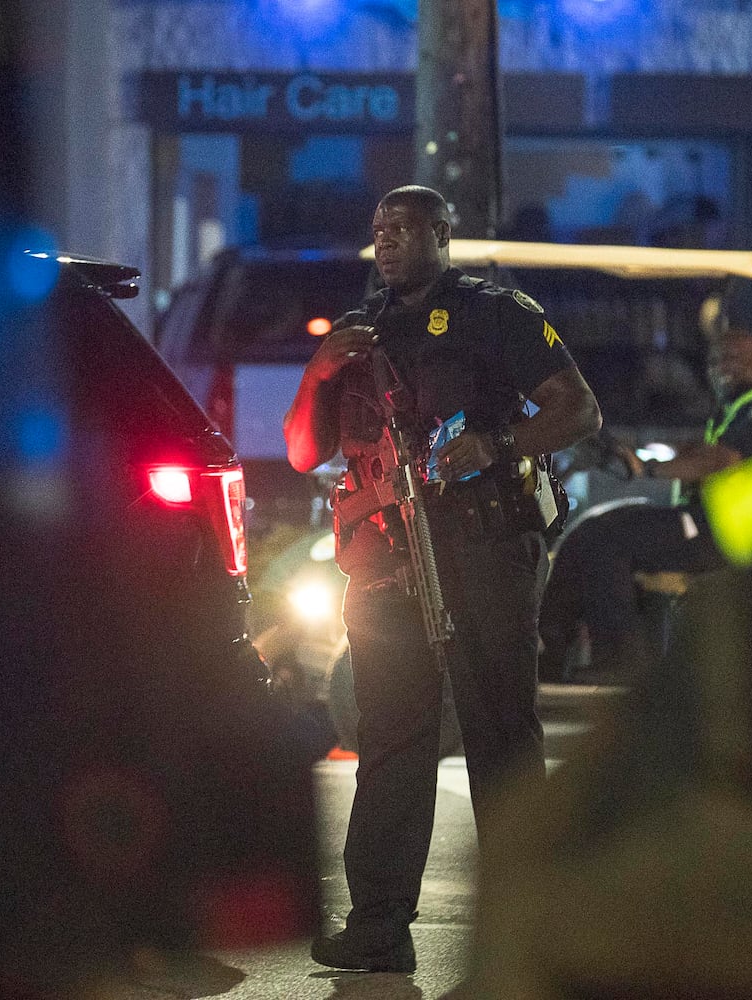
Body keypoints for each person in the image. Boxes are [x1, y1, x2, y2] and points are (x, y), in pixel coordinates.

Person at [283, 185, 602, 973]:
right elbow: (300, 450)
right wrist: (318, 371)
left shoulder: (495, 312)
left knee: (500, 731)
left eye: (403, 226)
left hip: (481, 551)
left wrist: (497, 443)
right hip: (384, 561)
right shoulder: (360, 332)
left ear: (442, 233)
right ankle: (380, 929)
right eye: (378, 228)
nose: (386, 239)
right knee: (390, 740)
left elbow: (577, 410)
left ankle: (522, 925)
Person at [538, 327, 752, 679]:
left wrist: (647, 468)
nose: (722, 367)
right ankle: (550, 655)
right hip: (705, 525)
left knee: (608, 541)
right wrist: (630, 454)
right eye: (716, 360)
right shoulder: (739, 409)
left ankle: (619, 663)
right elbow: (699, 451)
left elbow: (720, 461)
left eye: (735, 359)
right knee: (589, 530)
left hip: (728, 535)